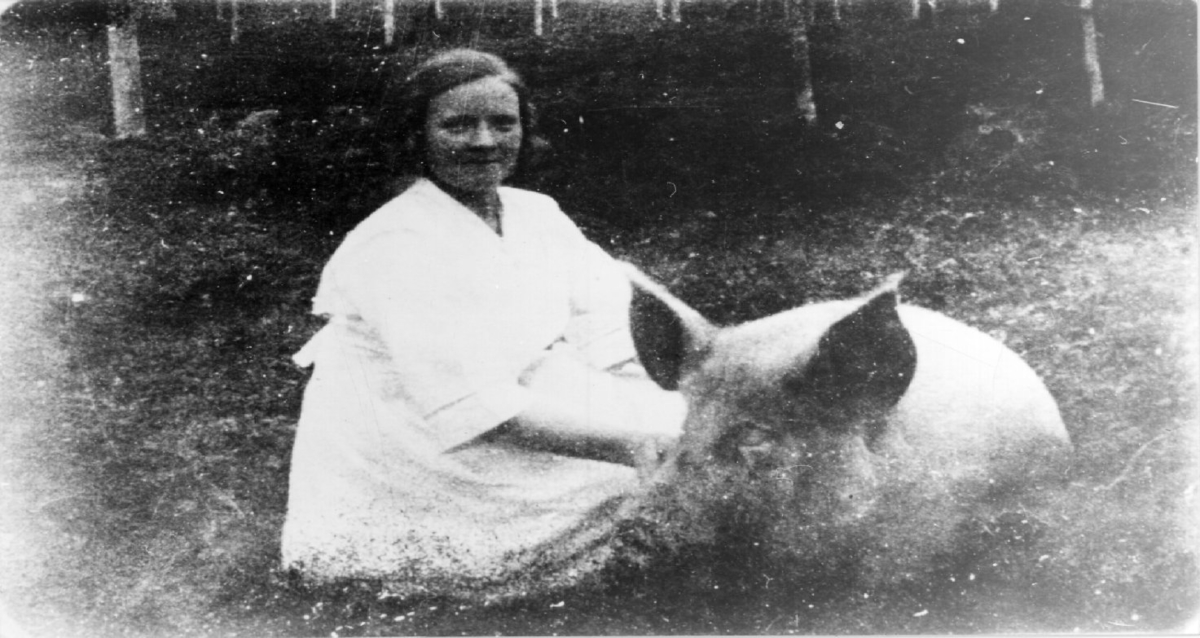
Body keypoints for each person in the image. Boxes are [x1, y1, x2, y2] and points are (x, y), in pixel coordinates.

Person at [280, 49, 686, 600]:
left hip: (520, 396)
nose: (483, 142)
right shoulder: (393, 245)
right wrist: (634, 444)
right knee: (644, 470)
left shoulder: (537, 213)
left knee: (688, 424)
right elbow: (474, 408)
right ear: (416, 136)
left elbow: (608, 323)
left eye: (502, 122)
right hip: (423, 447)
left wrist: (649, 400)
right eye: (457, 125)